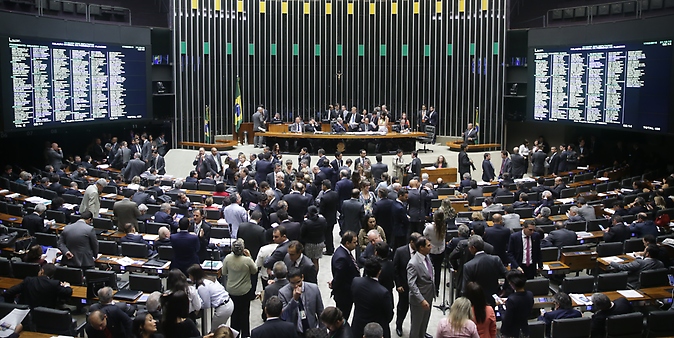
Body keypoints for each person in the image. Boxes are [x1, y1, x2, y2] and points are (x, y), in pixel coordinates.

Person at [223, 238, 258, 337]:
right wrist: (250, 256)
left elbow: (224, 272)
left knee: (234, 314)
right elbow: (254, 270)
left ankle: (234, 334)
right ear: (243, 250)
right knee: (244, 313)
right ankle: (245, 334)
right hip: (244, 290)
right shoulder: (247, 260)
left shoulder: (227, 258)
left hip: (232, 290)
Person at [351, 259, 394, 338]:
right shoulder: (383, 292)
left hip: (358, 325)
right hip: (376, 329)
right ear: (379, 271)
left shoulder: (356, 281)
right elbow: (389, 315)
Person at [187, 264, 234, 333]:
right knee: (219, 330)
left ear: (194, 276)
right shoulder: (209, 279)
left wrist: (196, 303)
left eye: (190, 275)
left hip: (222, 309)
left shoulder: (202, 287)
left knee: (214, 332)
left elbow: (206, 304)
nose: (189, 277)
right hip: (228, 303)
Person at [462, 235, 507, 306]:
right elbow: (507, 275)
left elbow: (465, 290)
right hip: (494, 298)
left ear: (473, 248)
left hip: (477, 302)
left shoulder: (468, 266)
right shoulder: (496, 259)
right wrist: (504, 288)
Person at [2, 263, 72, 308]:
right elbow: (68, 292)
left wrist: (13, 304)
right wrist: (67, 285)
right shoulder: (54, 284)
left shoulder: (28, 280)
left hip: (25, 312)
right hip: (45, 316)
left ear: (42, 271)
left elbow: (8, 293)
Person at [279, 268, 325, 335]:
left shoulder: (313, 288)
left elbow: (320, 312)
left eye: (298, 282)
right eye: (292, 283)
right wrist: (294, 300)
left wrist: (323, 331)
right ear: (288, 281)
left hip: (312, 330)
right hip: (295, 333)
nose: (296, 286)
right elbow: (284, 316)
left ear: (302, 277)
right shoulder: (283, 293)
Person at [392, 232, 421, 337]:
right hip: (404, 286)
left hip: (418, 286)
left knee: (418, 309)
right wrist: (398, 284)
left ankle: (418, 329)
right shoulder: (400, 251)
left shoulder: (421, 251)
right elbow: (395, 269)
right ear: (411, 242)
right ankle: (399, 325)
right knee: (402, 307)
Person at [407, 236, 435, 338]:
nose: (431, 247)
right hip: (419, 300)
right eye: (428, 245)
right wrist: (421, 300)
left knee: (424, 324)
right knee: (416, 326)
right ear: (421, 247)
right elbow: (412, 284)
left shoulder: (427, 257)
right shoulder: (413, 263)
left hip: (429, 295)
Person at [330, 231, 360, 321]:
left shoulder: (342, 251)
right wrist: (334, 284)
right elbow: (339, 277)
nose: (356, 244)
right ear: (347, 243)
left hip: (346, 291)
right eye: (354, 242)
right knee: (343, 317)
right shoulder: (342, 258)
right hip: (344, 295)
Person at [499, 270, 534, 338]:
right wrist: (508, 301)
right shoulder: (530, 294)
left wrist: (500, 307)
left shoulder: (512, 300)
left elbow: (506, 320)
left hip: (512, 333)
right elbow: (521, 302)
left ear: (513, 284)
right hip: (525, 329)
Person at [423, 211, 446, 296]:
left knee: (429, 269)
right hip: (441, 250)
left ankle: (430, 288)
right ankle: (436, 289)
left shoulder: (429, 227)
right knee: (438, 270)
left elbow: (424, 234)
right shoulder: (444, 226)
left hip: (432, 250)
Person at [301, 205, 327, 271]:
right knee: (316, 261)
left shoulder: (306, 222)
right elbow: (325, 229)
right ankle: (315, 276)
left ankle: (310, 276)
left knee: (308, 261)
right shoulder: (322, 220)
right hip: (320, 242)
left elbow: (302, 233)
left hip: (309, 243)